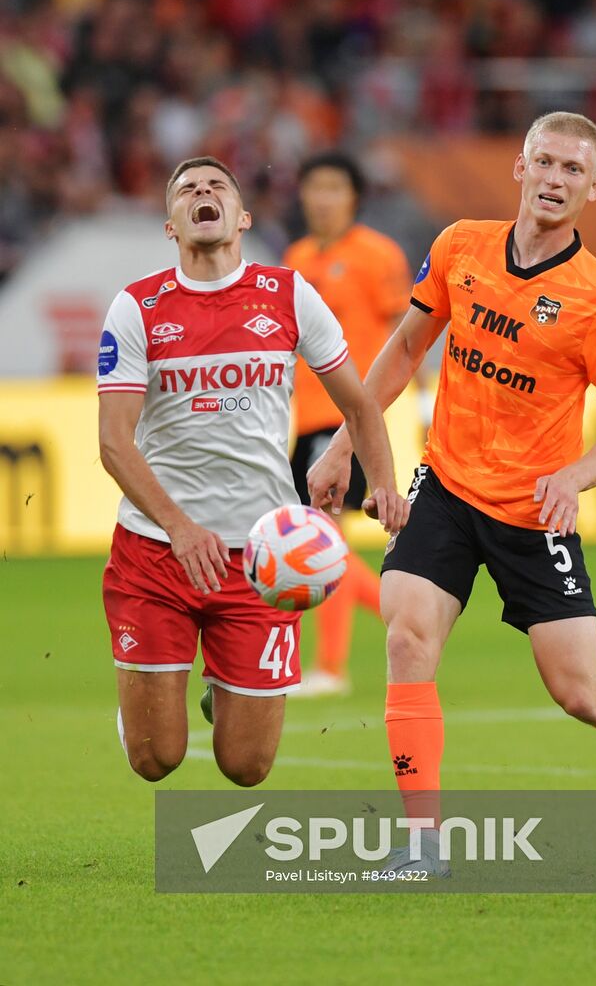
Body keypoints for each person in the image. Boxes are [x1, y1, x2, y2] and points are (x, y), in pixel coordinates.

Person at [309, 112, 596, 871]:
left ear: (593, 188)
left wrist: (572, 477)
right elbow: (406, 346)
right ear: (519, 166)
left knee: (581, 694)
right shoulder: (458, 246)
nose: (553, 179)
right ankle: (423, 846)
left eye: (572, 170)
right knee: (407, 638)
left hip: (531, 512)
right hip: (443, 485)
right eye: (543, 161)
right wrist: (346, 443)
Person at [97, 155, 409, 786]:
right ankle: (142, 706)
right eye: (187, 190)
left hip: (263, 558)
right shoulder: (136, 308)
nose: (201, 193)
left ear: (242, 218)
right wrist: (181, 528)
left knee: (246, 766)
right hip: (158, 551)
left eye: (217, 187)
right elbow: (113, 442)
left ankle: (222, 691)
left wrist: (380, 480)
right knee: (157, 759)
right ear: (171, 225)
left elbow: (358, 400)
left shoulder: (289, 292)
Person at [285, 151, 425, 697]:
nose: (322, 198)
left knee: (322, 537)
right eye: (314, 187)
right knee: (324, 539)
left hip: (347, 419)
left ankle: (331, 667)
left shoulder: (377, 255)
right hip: (304, 416)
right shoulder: (296, 257)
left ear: (354, 197)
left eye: (333, 188)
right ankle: (400, 612)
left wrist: (397, 407)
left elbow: (406, 335)